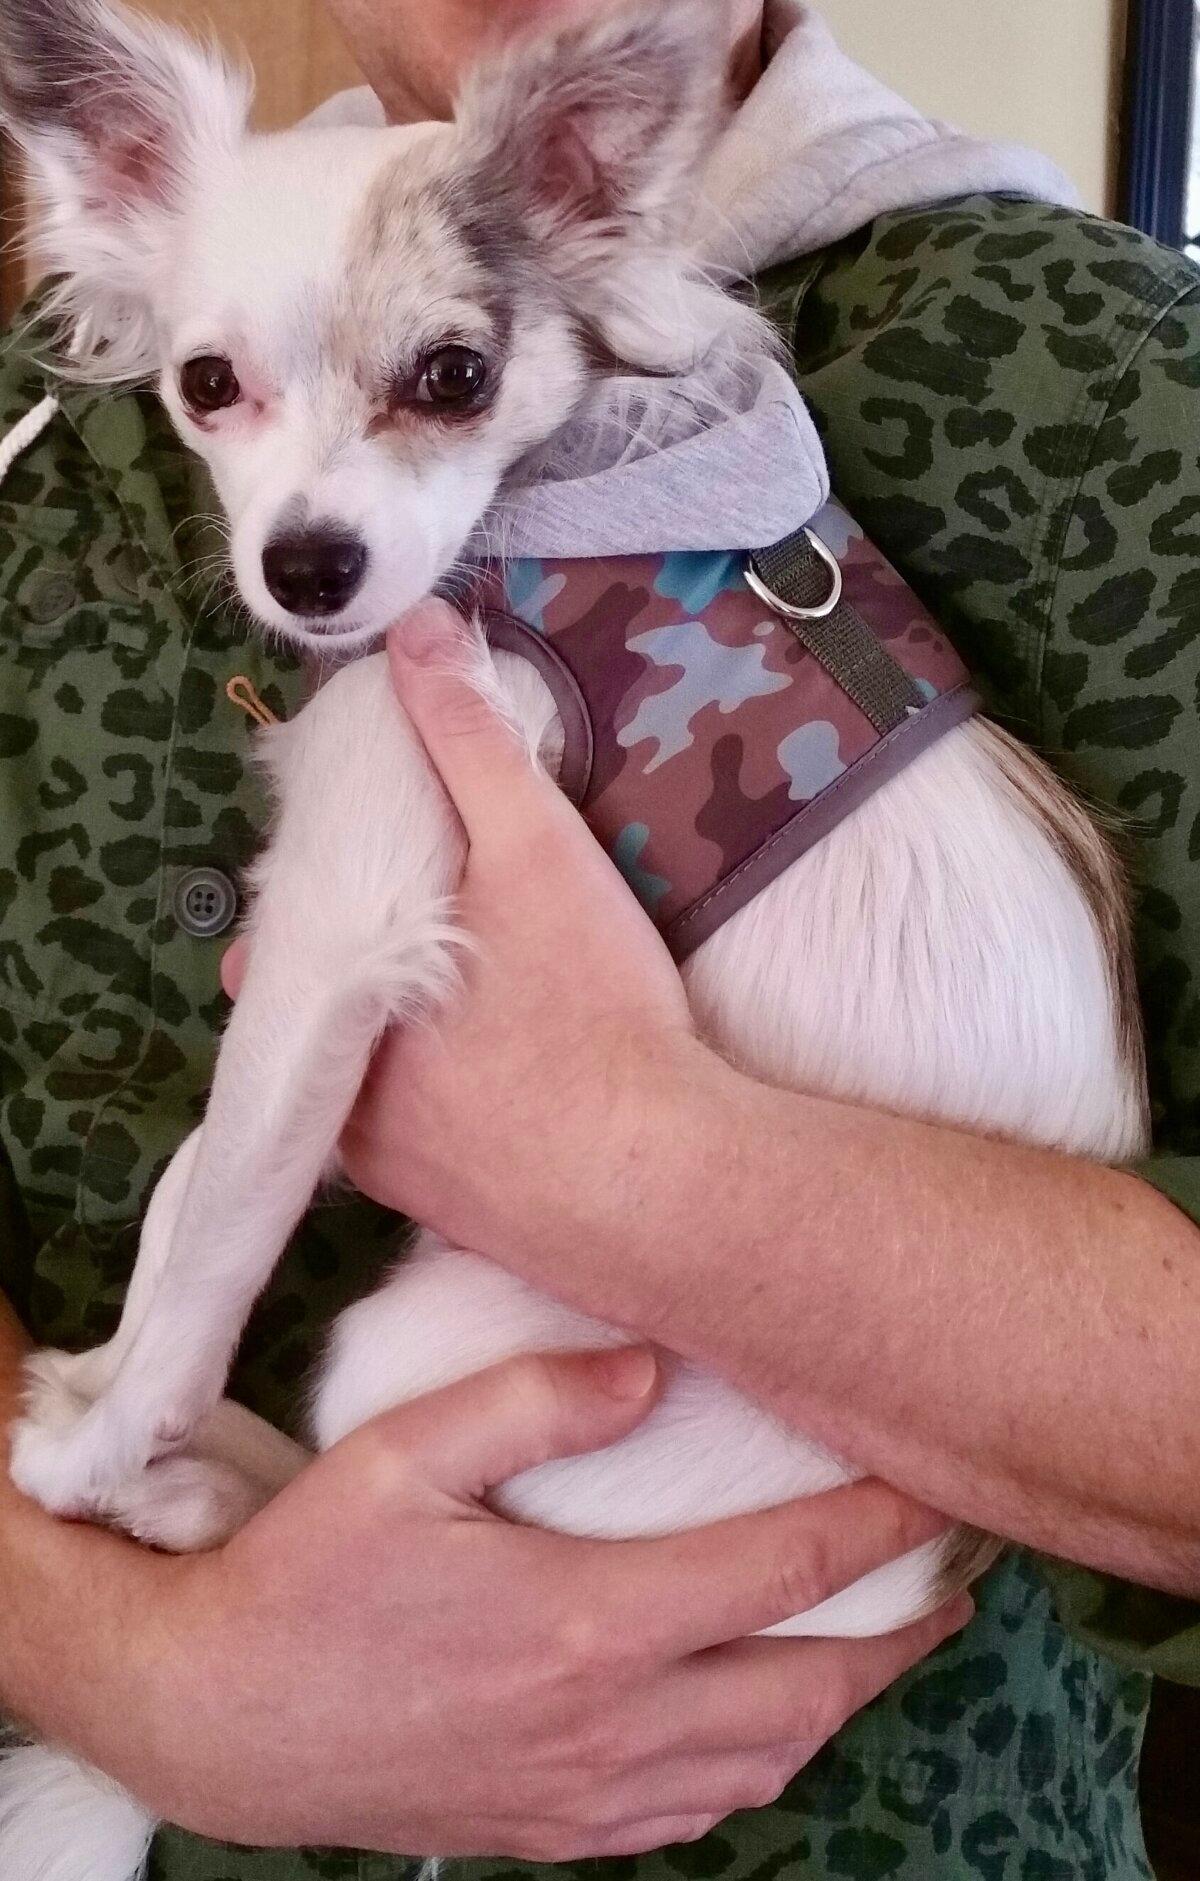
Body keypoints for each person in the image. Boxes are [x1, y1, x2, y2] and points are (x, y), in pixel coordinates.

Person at [0, 2, 1196, 1878]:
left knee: (385, 1381)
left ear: (593, 192)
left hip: (846, 1748)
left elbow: (319, 983)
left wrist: (622, 1166)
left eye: (442, 384)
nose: (308, 512)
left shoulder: (1104, 380)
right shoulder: (65, 428)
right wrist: (118, 1661)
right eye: (217, 392)